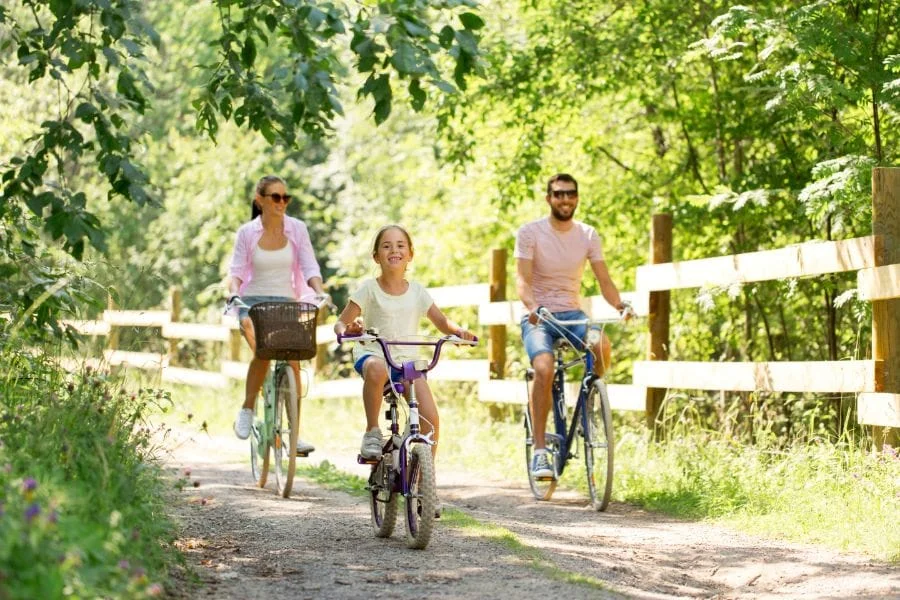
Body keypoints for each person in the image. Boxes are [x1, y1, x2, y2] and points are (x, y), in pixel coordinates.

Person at [333, 224, 475, 516]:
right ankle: (372, 430)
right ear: (376, 256)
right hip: (376, 353)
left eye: (400, 245)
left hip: (407, 361)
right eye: (386, 246)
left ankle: (425, 486)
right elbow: (341, 321)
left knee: (430, 421)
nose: (394, 250)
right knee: (375, 369)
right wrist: (348, 329)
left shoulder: (418, 292)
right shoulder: (368, 290)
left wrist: (459, 333)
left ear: (410, 254)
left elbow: (442, 323)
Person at [515, 173, 630, 479]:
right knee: (543, 368)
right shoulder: (530, 233)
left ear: (577, 198)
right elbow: (522, 281)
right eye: (558, 194)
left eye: (570, 194)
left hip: (573, 316)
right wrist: (532, 307)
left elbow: (604, 280)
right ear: (549, 198)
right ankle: (540, 451)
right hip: (539, 317)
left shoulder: (588, 234)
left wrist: (620, 305)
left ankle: (590, 400)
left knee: (601, 344)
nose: (565, 199)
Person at [226, 175, 329, 454]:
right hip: (253, 303)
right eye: (275, 197)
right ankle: (248, 408)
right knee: (263, 350)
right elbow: (235, 272)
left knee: (293, 359)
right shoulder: (247, 233)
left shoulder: (297, 229)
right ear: (260, 201)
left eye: (286, 197)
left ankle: (294, 435)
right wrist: (233, 292)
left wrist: (319, 292)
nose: (281, 202)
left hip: (286, 303)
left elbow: (310, 267)